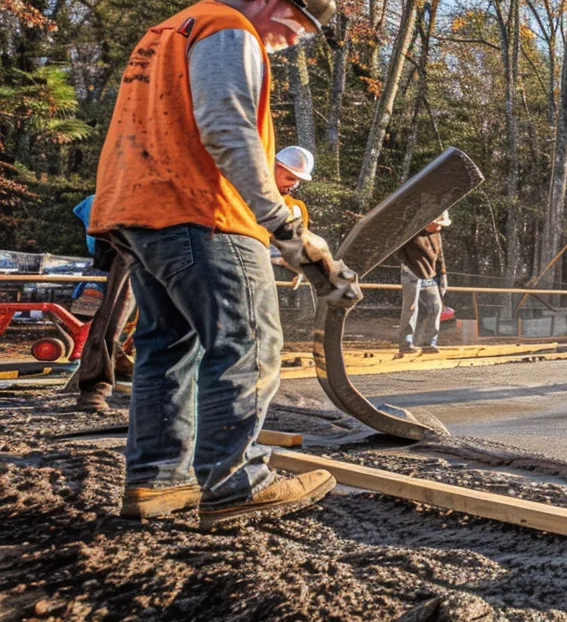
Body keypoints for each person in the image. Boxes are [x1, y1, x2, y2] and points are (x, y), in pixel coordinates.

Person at [90, 0, 355, 530]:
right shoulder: (228, 27)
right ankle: (236, 483)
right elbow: (227, 128)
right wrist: (284, 228)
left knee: (167, 348)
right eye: (297, 24)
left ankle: (158, 481)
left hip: (142, 211)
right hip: (204, 211)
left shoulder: (168, 31)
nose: (295, 39)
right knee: (248, 343)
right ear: (270, 2)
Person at [65, 196, 136, 413]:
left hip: (127, 235)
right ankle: (95, 388)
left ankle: (99, 383)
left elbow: (80, 208)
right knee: (110, 320)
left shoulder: (94, 199)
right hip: (126, 236)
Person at [396, 212, 450, 355]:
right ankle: (405, 343)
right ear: (429, 222)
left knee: (436, 306)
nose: (439, 227)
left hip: (429, 274)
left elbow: (440, 255)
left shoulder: (436, 235)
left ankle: (429, 342)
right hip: (411, 271)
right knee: (411, 308)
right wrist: (407, 263)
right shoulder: (411, 233)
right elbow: (397, 250)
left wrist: (443, 274)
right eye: (438, 224)